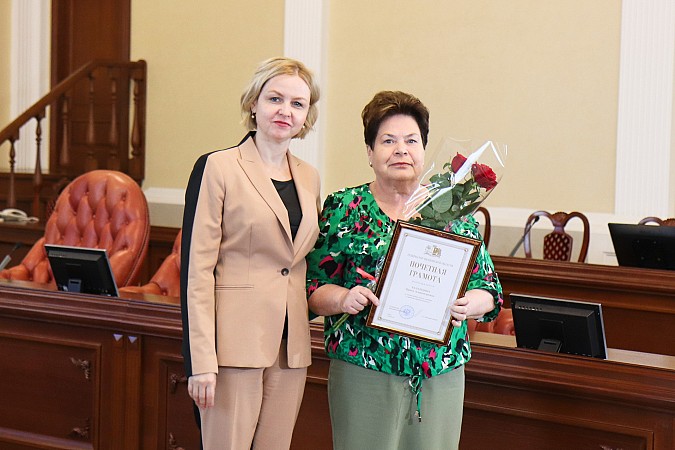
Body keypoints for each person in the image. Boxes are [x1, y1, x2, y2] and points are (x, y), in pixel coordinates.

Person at [306, 91, 503, 450]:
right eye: (388, 141)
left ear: (424, 150)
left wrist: (468, 304)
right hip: (364, 367)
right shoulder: (345, 207)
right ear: (370, 152)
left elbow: (489, 291)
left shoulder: (454, 210)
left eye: (411, 140)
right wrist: (344, 298)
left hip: (439, 372)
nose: (401, 150)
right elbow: (313, 288)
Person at [180, 56, 321, 450]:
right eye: (275, 98)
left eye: (297, 104)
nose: (285, 111)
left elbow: (301, 261)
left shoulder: (310, 177)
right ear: (254, 103)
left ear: (306, 116)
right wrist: (201, 362)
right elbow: (197, 271)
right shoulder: (218, 167)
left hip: (290, 348)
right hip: (232, 347)